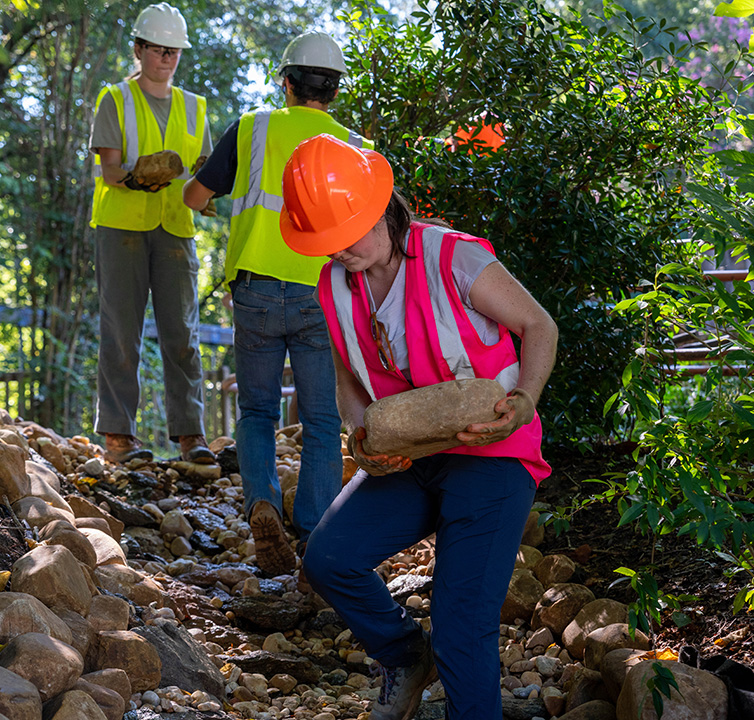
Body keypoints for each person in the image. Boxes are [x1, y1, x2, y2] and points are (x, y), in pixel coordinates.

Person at [279, 134, 557, 720]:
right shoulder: (333, 283)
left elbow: (539, 325)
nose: (336, 253)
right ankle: (404, 654)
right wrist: (363, 439)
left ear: (378, 210)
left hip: (495, 456)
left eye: (343, 236)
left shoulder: (452, 257)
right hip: (413, 459)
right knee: (329, 559)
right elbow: (348, 378)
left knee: (461, 627)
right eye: (323, 243)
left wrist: (527, 399)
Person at [182, 32, 369, 577]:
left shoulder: (252, 128)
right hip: (321, 293)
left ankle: (261, 503)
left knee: (257, 411)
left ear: (285, 83)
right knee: (320, 418)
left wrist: (219, 205)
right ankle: (314, 533)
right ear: (333, 90)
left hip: (256, 288)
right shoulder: (352, 145)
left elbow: (195, 197)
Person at [90, 2, 214, 465]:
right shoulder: (115, 99)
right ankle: (119, 438)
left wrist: (215, 196)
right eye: (159, 49)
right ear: (139, 49)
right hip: (121, 228)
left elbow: (203, 173)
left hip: (176, 228)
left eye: (174, 50)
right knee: (121, 331)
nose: (167, 57)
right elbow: (109, 170)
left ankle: (191, 438)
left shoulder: (196, 107)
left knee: (182, 332)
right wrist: (135, 177)